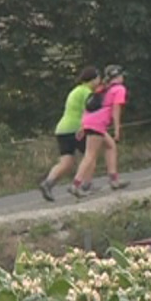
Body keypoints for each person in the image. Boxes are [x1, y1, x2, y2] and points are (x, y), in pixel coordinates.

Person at [39, 66, 101, 201]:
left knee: (66, 162)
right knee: (90, 155)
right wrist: (85, 127)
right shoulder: (86, 92)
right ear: (93, 79)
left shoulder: (75, 90)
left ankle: (48, 182)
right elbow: (89, 110)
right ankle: (86, 185)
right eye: (98, 78)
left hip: (62, 129)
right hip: (76, 127)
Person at [70, 65, 130, 196]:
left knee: (110, 146)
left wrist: (83, 125)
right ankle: (76, 184)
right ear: (118, 77)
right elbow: (116, 109)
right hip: (98, 124)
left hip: (90, 121)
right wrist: (117, 129)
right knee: (90, 155)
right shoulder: (119, 89)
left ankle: (114, 179)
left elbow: (90, 106)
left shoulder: (103, 88)